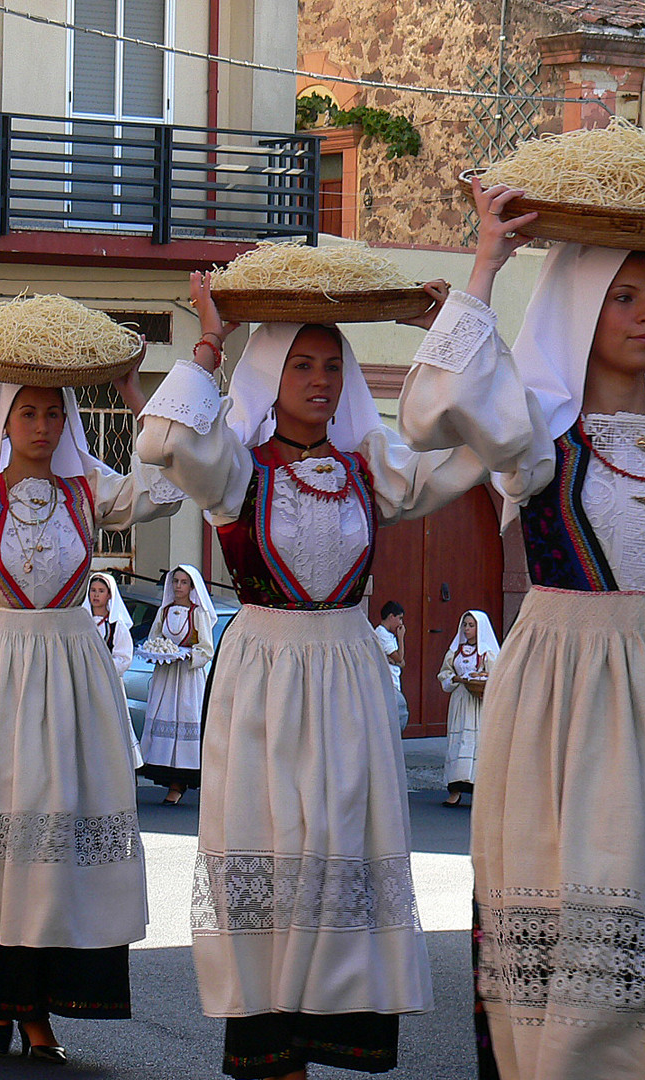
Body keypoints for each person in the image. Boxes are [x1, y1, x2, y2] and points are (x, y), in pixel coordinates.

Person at [397, 179, 645, 1078]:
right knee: (578, 911)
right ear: (581, 305)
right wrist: (487, 264)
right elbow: (427, 412)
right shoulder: (538, 432)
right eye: (623, 296)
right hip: (561, 699)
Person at [136, 267, 539, 1079]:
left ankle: (324, 1028)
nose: (321, 382)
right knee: (271, 844)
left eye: (333, 366)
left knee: (342, 843)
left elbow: (487, 444)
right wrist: (213, 339)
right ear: (269, 376)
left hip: (350, 678)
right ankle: (269, 1039)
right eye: (301, 366)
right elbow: (165, 442)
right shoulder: (236, 472)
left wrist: (457, 322)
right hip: (263, 675)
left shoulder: (370, 467)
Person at [0, 336, 178, 1062]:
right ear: (5, 423)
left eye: (54, 413)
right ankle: (12, 1004)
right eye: (28, 412)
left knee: (61, 834)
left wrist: (130, 391)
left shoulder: (89, 493)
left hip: (74, 677)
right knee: (3, 831)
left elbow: (166, 484)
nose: (43, 426)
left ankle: (37, 1003)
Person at [137, 565, 216, 805]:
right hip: (166, 677)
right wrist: (157, 653)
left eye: (184, 582)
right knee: (164, 722)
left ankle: (180, 781)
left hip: (187, 678)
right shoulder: (165, 611)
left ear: (192, 587)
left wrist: (188, 655)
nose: (179, 586)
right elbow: (155, 639)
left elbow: (206, 648)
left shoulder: (197, 613)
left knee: (185, 721)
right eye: (176, 582)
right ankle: (165, 774)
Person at [435, 610, 498, 807]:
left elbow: (496, 676)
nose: (467, 629)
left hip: (477, 703)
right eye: (465, 625)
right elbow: (444, 673)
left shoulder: (487, 653)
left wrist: (482, 683)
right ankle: (455, 789)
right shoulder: (455, 651)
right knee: (457, 740)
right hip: (460, 700)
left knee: (476, 741)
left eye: (471, 625)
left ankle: (478, 789)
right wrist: (456, 679)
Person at [85, 571, 134, 678]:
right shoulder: (81, 623)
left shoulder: (117, 626)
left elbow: (124, 659)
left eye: (101, 591)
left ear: (109, 595)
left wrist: (99, 667)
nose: (96, 595)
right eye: (93, 590)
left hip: (107, 680)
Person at [372, 601, 409, 731]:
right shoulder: (382, 634)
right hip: (388, 682)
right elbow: (399, 658)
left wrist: (396, 660)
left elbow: (401, 663)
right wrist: (401, 638)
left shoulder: (387, 635)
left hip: (394, 681)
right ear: (391, 616)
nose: (400, 623)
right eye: (399, 618)